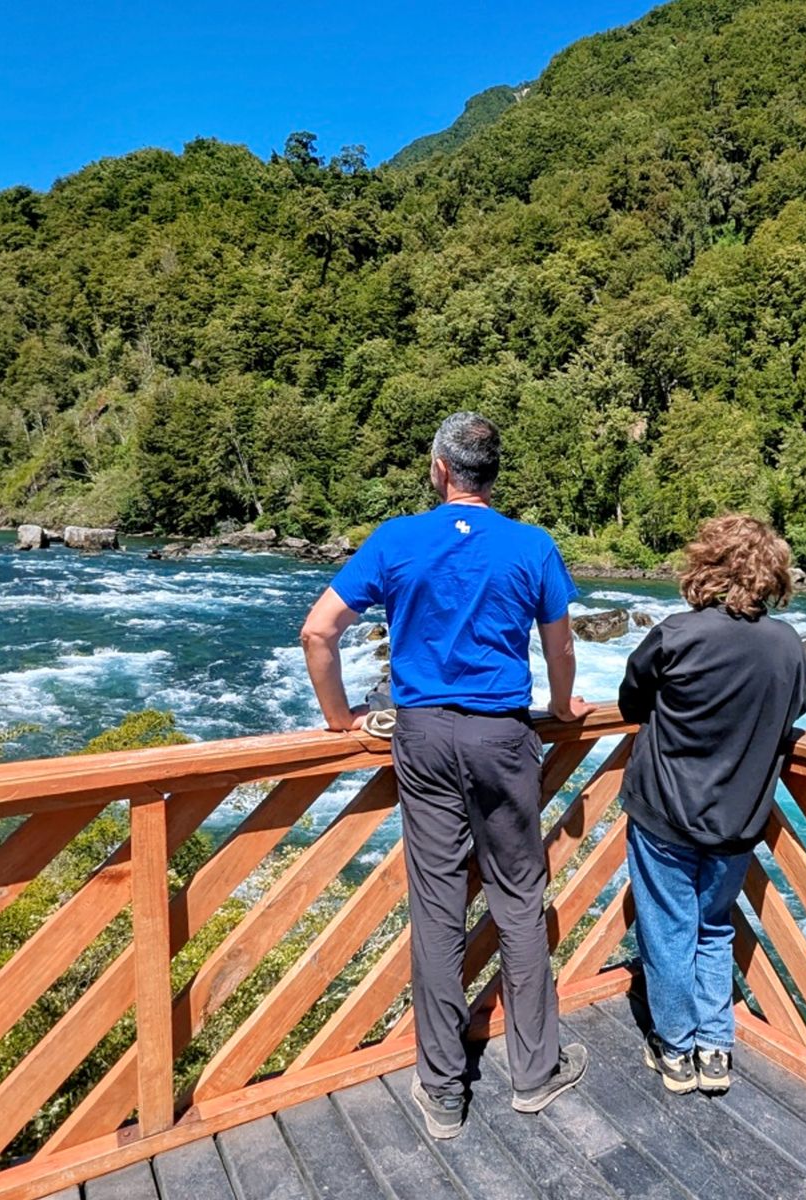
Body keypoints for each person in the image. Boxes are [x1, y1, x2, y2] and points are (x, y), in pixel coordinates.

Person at [299, 411, 593, 1139]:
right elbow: (560, 650)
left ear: (439, 469)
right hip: (502, 733)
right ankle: (534, 1073)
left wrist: (339, 719)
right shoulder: (531, 545)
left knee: (435, 907)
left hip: (423, 735)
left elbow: (318, 631)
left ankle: (442, 1090)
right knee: (519, 901)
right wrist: (561, 706)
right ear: (494, 476)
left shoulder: (399, 537)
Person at [617, 514, 806, 1095]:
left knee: (667, 929)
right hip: (740, 818)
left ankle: (675, 1050)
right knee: (713, 927)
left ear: (707, 565)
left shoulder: (678, 633)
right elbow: (791, 717)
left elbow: (632, 702)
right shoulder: (788, 645)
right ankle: (714, 1051)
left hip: (667, 812)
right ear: (771, 573)